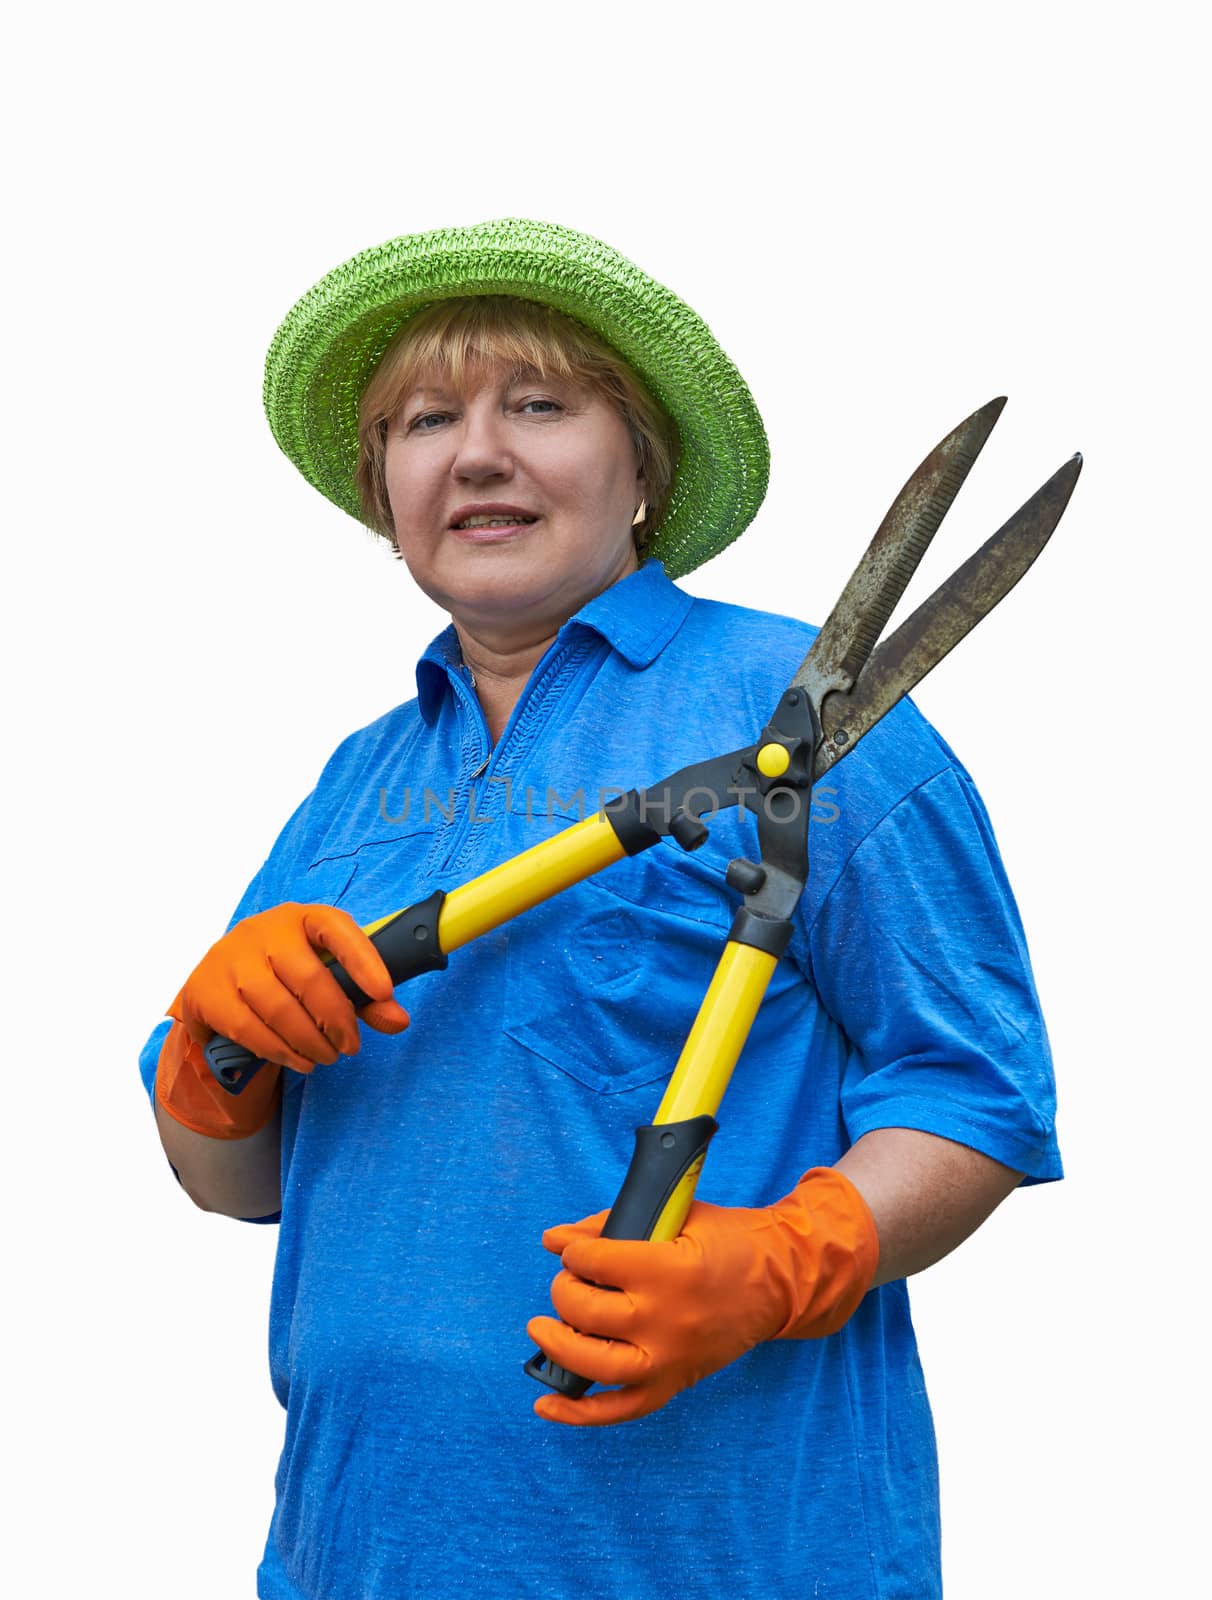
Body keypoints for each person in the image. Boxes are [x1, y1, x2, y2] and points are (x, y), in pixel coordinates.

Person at [140, 218, 1061, 1599]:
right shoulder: (352, 787)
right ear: (385, 492)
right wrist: (211, 1060)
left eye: (539, 405)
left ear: (642, 468)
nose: (478, 452)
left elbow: (979, 1094)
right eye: (426, 419)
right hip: (358, 1553)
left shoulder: (825, 717)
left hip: (727, 1560)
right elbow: (241, 1187)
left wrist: (784, 1260)